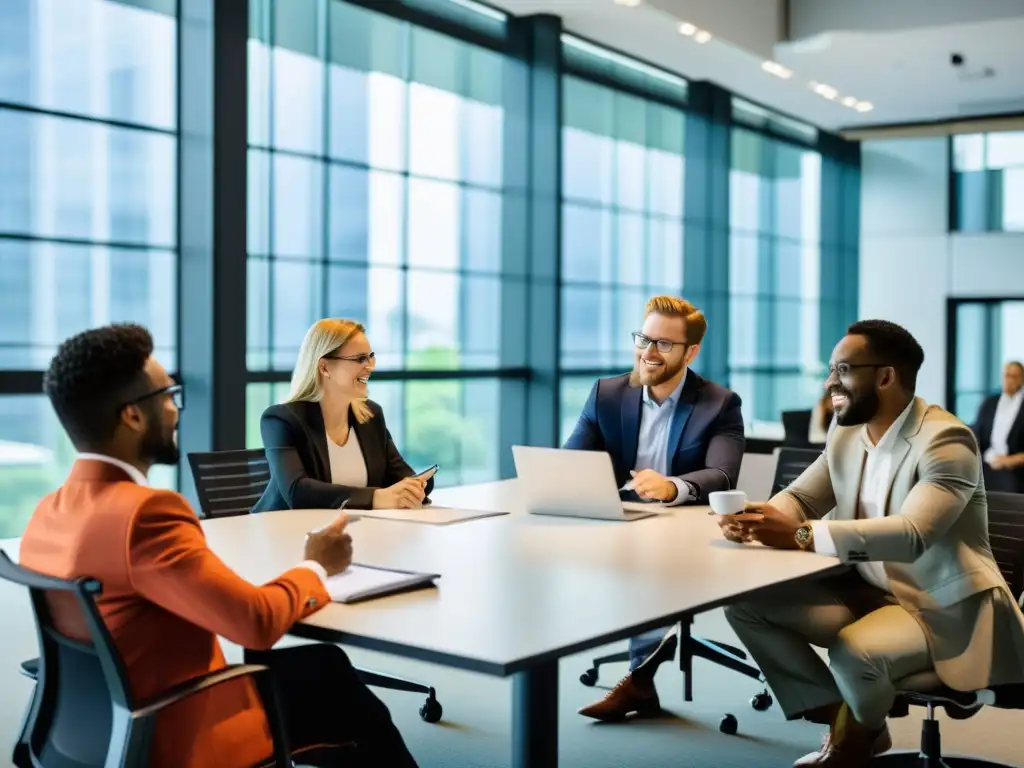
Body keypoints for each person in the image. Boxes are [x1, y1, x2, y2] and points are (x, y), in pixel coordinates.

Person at [19, 324, 420, 768]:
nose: (175, 411)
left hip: (90, 729)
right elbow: (254, 623)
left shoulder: (46, 512)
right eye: (168, 397)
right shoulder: (148, 514)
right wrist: (315, 567)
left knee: (324, 667)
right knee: (334, 680)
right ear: (133, 416)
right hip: (178, 727)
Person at [718, 320, 1024, 768]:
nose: (829, 383)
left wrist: (804, 536)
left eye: (842, 370)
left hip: (941, 606)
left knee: (854, 651)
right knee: (746, 605)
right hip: (867, 591)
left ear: (885, 376)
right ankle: (855, 719)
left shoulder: (946, 441)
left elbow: (913, 533)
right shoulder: (847, 432)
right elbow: (803, 497)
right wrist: (758, 519)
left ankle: (850, 743)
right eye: (830, 370)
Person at [568, 295, 746, 721]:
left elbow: (722, 475)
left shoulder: (719, 403)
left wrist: (671, 487)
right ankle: (642, 676)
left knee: (647, 565)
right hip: (624, 521)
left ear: (691, 352)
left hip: (688, 527)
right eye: (643, 339)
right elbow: (573, 463)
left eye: (664, 344)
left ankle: (638, 681)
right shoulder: (606, 394)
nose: (648, 352)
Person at [252, 319, 433, 513]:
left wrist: (414, 488)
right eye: (360, 359)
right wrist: (376, 498)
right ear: (324, 368)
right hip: (282, 533)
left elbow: (401, 476)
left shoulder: (371, 416)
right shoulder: (281, 420)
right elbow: (297, 492)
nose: (370, 366)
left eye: (371, 356)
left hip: (352, 531)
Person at [971, 360, 1024, 493]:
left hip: (1014, 468)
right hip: (986, 463)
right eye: (1006, 375)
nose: (1008, 380)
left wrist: (1008, 461)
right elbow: (976, 435)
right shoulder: (989, 403)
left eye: (1013, 376)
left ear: (1022, 379)